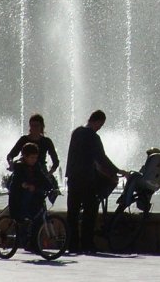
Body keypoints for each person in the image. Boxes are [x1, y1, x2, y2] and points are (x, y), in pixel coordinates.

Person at [66, 109, 127, 254]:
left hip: (73, 177)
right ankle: (87, 244)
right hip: (86, 179)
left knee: (72, 213)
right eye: (101, 124)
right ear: (97, 121)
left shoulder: (76, 132)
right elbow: (101, 158)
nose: (100, 127)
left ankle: (72, 244)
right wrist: (117, 171)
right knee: (90, 211)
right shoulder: (93, 137)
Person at [8, 142, 53, 246]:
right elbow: (18, 180)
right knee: (28, 215)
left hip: (32, 195)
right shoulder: (19, 166)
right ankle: (26, 233)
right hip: (19, 197)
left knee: (38, 215)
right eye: (32, 157)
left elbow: (42, 177)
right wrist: (25, 185)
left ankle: (33, 243)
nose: (34, 160)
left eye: (36, 157)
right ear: (25, 156)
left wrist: (52, 187)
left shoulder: (36, 165)